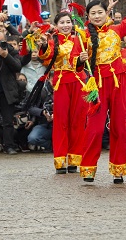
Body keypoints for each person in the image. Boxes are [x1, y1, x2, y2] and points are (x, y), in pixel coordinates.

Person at [79, 0, 126, 184]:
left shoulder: (116, 30)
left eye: (100, 12)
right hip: (97, 86)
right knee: (95, 128)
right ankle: (88, 168)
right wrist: (80, 60)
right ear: (88, 17)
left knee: (119, 126)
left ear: (106, 13)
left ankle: (118, 169)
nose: (97, 16)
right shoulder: (83, 36)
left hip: (119, 84)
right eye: (93, 13)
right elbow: (78, 65)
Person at [36, 12, 89, 173]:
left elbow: (89, 52)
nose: (66, 25)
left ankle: (74, 158)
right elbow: (47, 56)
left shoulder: (79, 38)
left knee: (78, 120)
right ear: (56, 25)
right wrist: (44, 45)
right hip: (61, 83)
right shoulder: (54, 41)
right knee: (61, 122)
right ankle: (60, 160)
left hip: (79, 81)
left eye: (68, 22)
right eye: (62, 23)